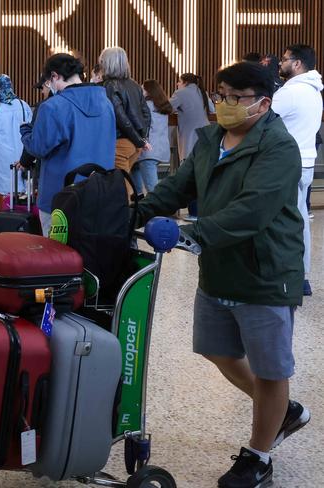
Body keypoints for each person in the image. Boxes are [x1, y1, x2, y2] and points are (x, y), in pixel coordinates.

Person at [135, 61, 309, 488]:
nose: (225, 104)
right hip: (219, 269)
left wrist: (196, 233)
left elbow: (254, 209)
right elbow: (178, 187)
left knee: (271, 371)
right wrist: (133, 213)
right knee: (215, 349)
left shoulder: (278, 147)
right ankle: (281, 409)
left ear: (264, 103)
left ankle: (259, 456)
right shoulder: (211, 138)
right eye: (221, 95)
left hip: (264, 272)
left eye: (236, 97)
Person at [20, 53, 117, 236]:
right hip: (99, 194)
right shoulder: (106, 103)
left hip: (59, 197)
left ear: (54, 76)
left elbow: (39, 148)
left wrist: (25, 131)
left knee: (57, 258)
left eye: (48, 81)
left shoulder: (53, 106)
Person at [272, 44, 323, 297]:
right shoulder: (315, 91)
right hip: (305, 162)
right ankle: (301, 276)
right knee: (299, 219)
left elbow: (260, 118)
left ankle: (284, 275)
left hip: (285, 164)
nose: (281, 63)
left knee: (280, 220)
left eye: (284, 59)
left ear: (298, 64)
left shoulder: (290, 93)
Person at [0, 74, 33, 211]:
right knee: (20, 188)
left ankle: (3, 218)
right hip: (21, 153)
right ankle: (19, 219)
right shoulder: (23, 104)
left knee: (1, 190)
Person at [100, 47, 151, 175]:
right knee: (125, 181)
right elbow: (147, 114)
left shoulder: (109, 86)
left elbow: (120, 118)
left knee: (120, 187)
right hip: (134, 144)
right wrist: (141, 139)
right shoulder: (135, 85)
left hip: (119, 143)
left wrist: (139, 140)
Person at [170, 73, 215, 220]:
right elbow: (212, 109)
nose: (177, 84)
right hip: (205, 135)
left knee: (191, 175)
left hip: (190, 137)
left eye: (179, 81)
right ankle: (201, 211)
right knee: (202, 175)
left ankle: (193, 212)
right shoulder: (202, 92)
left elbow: (168, 107)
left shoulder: (181, 93)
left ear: (184, 82)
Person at [131, 80, 172, 196]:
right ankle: (138, 195)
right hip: (161, 148)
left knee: (153, 190)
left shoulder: (145, 106)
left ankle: (157, 210)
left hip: (147, 150)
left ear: (149, 92)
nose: (141, 91)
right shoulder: (163, 107)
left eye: (142, 89)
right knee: (135, 168)